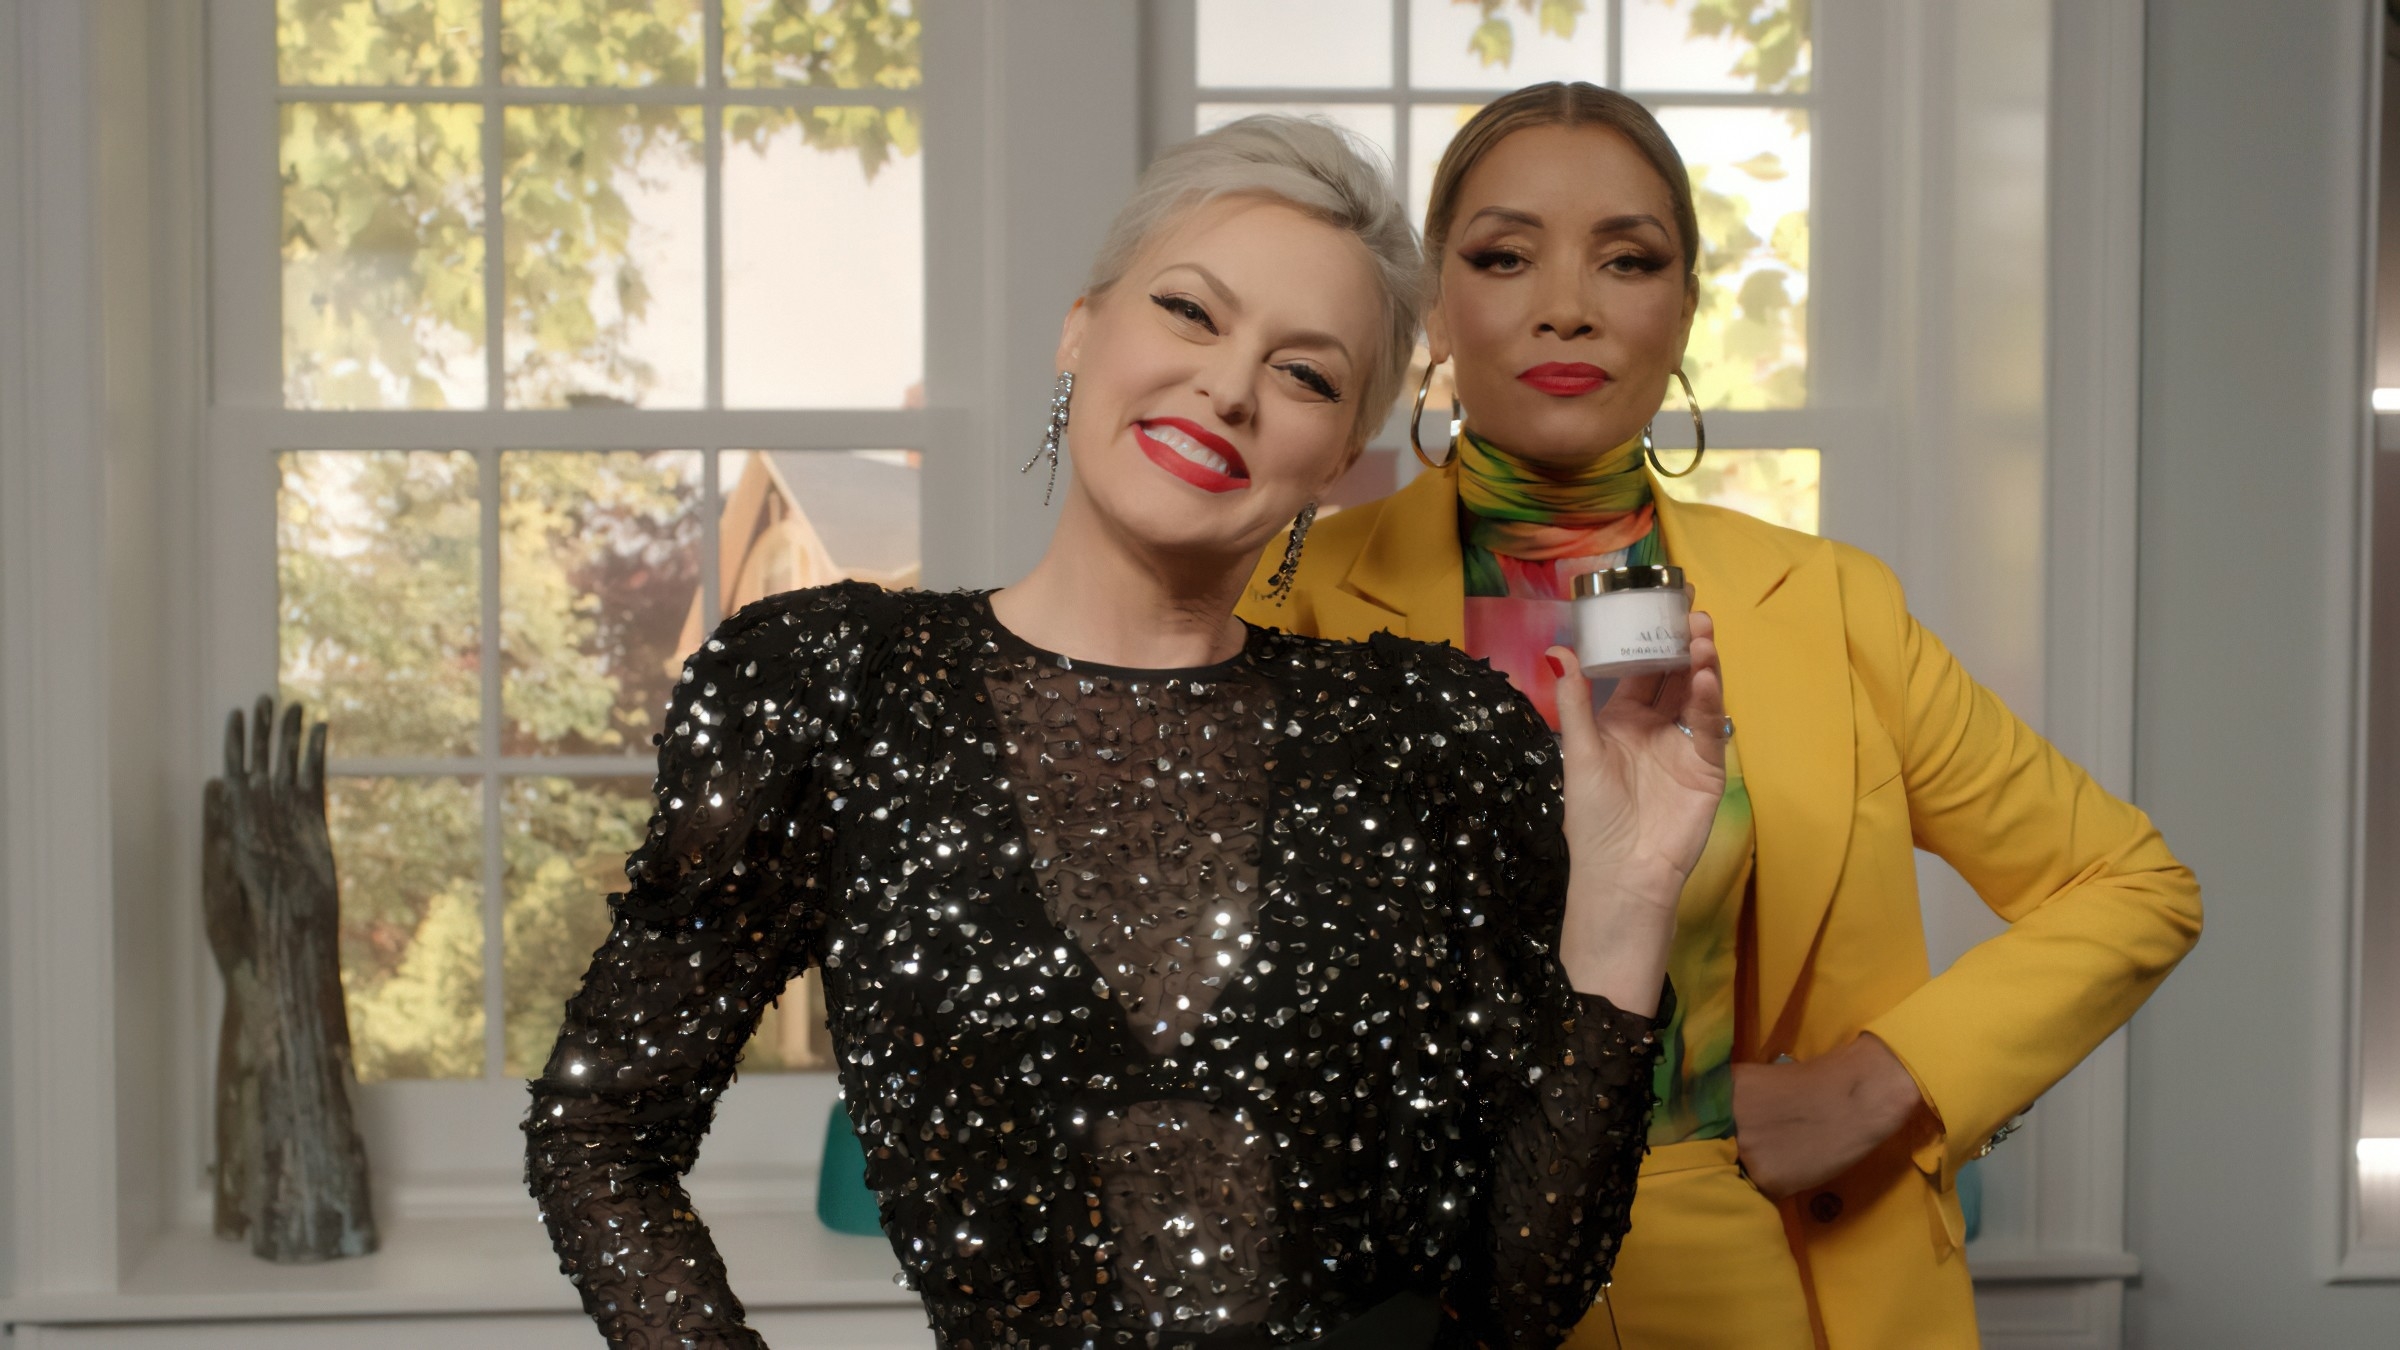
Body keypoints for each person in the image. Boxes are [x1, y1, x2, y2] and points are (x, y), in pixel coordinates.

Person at [526, 115, 1731, 1350]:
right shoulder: (838, 692)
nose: (1228, 386)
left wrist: (1630, 898)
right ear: (1081, 326)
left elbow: (1525, 1290)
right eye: (1191, 313)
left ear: (1335, 460)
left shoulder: (1436, 739)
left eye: (1306, 374)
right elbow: (600, 1135)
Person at [1239, 84, 2202, 1350]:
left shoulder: (1832, 605)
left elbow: (2132, 882)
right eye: (1505, 254)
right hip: (1425, 1276)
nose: (1566, 302)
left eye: (1628, 259)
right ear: (1437, 311)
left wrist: (1882, 1083)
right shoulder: (1292, 593)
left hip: (1744, 1264)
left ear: (1684, 309)